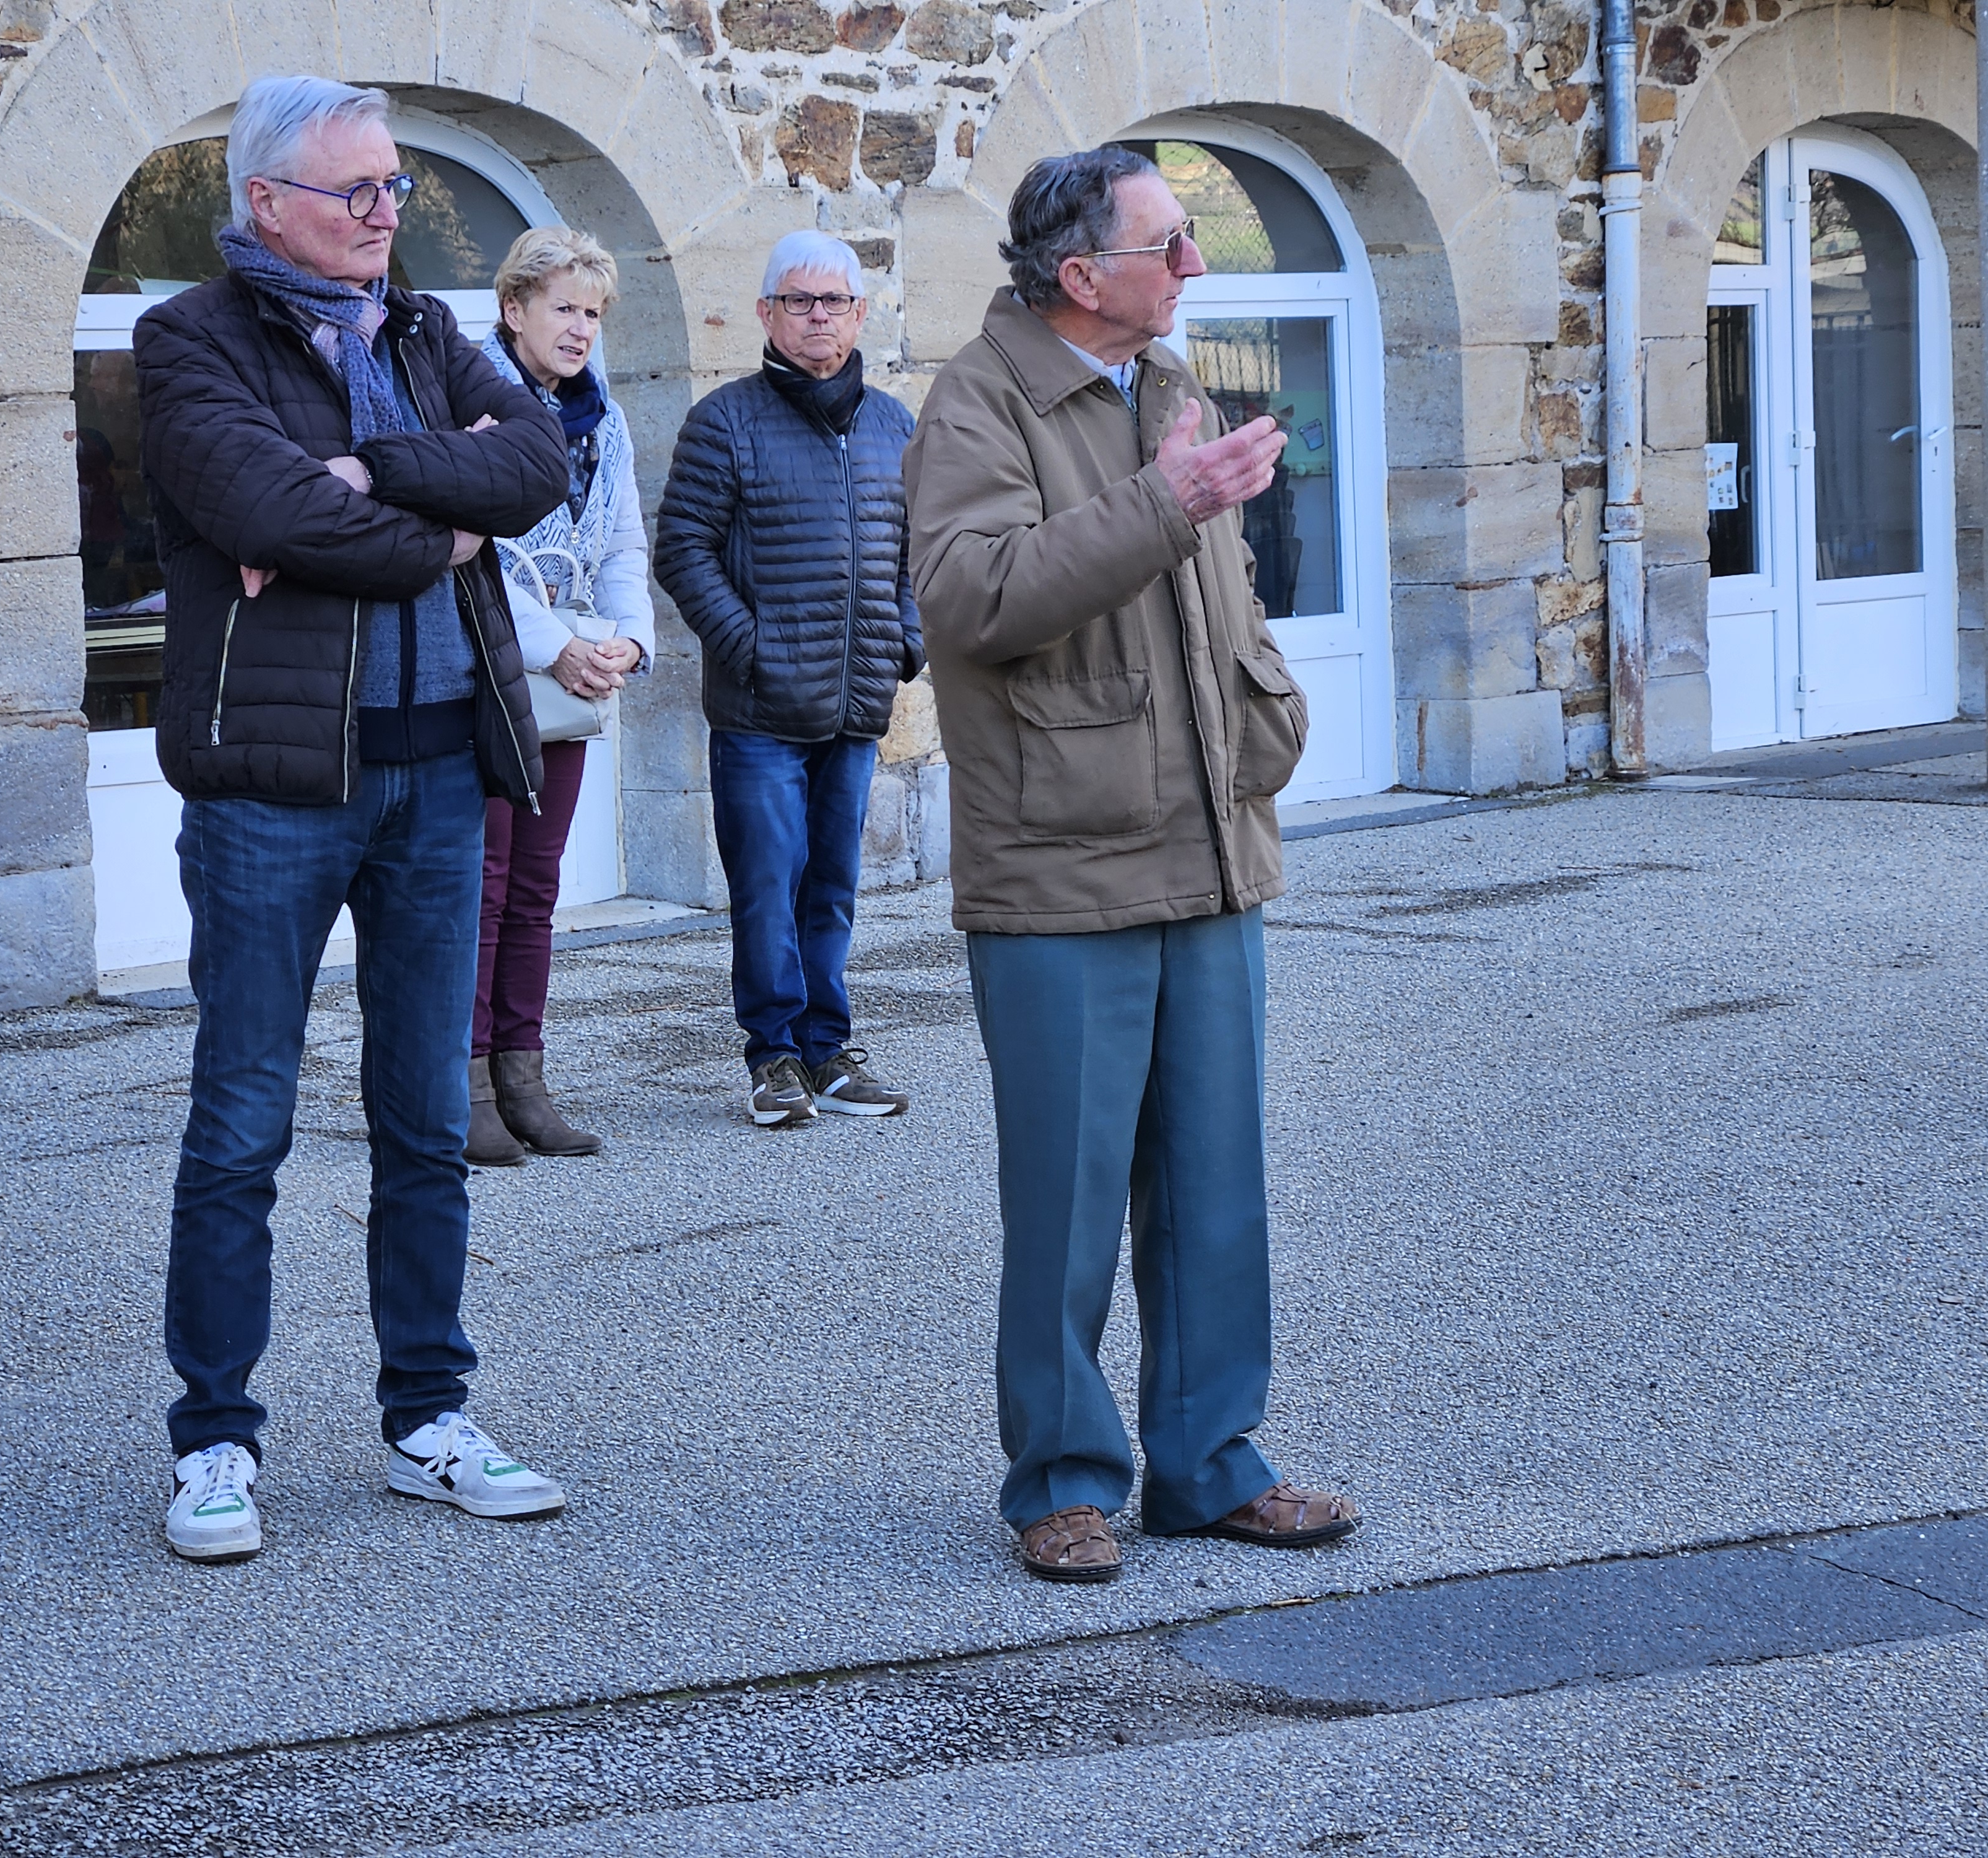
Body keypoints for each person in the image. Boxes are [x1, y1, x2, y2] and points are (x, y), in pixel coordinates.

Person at [903, 147, 1362, 1583]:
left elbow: (1220, 598)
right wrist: (1164, 503)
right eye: (1170, 246)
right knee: (1067, 1200)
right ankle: (1060, 1479)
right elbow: (970, 604)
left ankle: (1211, 1463)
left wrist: (1266, 711)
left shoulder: (1167, 386)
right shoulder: (978, 400)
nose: (1195, 269)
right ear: (1077, 273)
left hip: (1210, 851)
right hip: (1056, 871)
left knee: (1217, 1190)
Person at [134, 74, 574, 1562]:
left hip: (443, 771)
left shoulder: (429, 329)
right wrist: (434, 525)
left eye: (395, 188)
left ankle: (427, 1420)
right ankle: (212, 1441)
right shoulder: (187, 341)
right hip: (272, 790)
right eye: (359, 193)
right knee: (242, 1122)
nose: (390, 214)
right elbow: (266, 515)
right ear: (267, 203)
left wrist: (376, 470)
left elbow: (539, 465)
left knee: (426, 1122)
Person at [653, 231, 925, 1130]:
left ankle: (829, 1051)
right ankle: (772, 1056)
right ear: (767, 313)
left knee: (832, 887)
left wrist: (904, 643)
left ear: (861, 313)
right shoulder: (725, 421)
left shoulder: (893, 426)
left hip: (853, 703)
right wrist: (751, 647)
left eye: (835, 301)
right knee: (769, 885)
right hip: (761, 710)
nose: (819, 317)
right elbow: (683, 552)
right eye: (799, 301)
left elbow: (917, 555)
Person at [461, 225, 656, 1169]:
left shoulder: (604, 421)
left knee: (536, 889)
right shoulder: (474, 405)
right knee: (483, 887)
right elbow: (479, 555)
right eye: (564, 308)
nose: (581, 328)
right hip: (490, 676)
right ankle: (459, 1084)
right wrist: (561, 645)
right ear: (514, 309)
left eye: (593, 312)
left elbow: (620, 546)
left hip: (572, 685)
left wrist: (627, 640)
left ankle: (523, 1078)